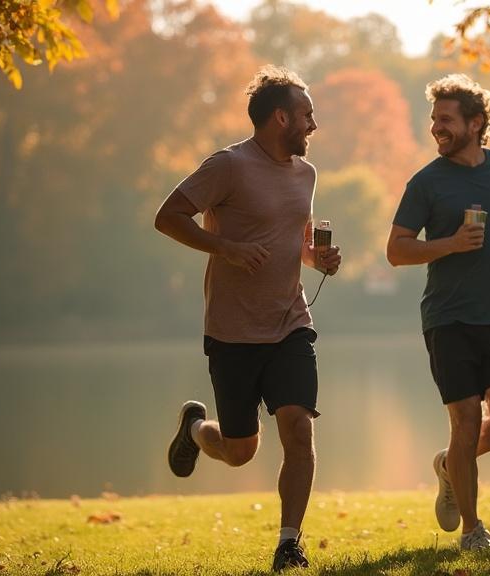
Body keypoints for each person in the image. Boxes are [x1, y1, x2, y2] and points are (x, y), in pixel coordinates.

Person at [154, 65, 341, 572]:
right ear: (280, 118)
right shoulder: (228, 166)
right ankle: (196, 429)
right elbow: (168, 217)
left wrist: (317, 258)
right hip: (232, 330)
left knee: (298, 427)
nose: (313, 124)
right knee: (240, 452)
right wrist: (226, 247)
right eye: (306, 115)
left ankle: (289, 545)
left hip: (290, 323)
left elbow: (295, 238)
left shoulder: (307, 174)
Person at [385, 73, 490, 550]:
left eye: (447, 119)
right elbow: (396, 250)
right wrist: (449, 244)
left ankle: (449, 465)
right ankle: (474, 531)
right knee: (466, 421)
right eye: (434, 118)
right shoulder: (426, 183)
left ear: (476, 124)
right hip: (448, 318)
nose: (437, 127)